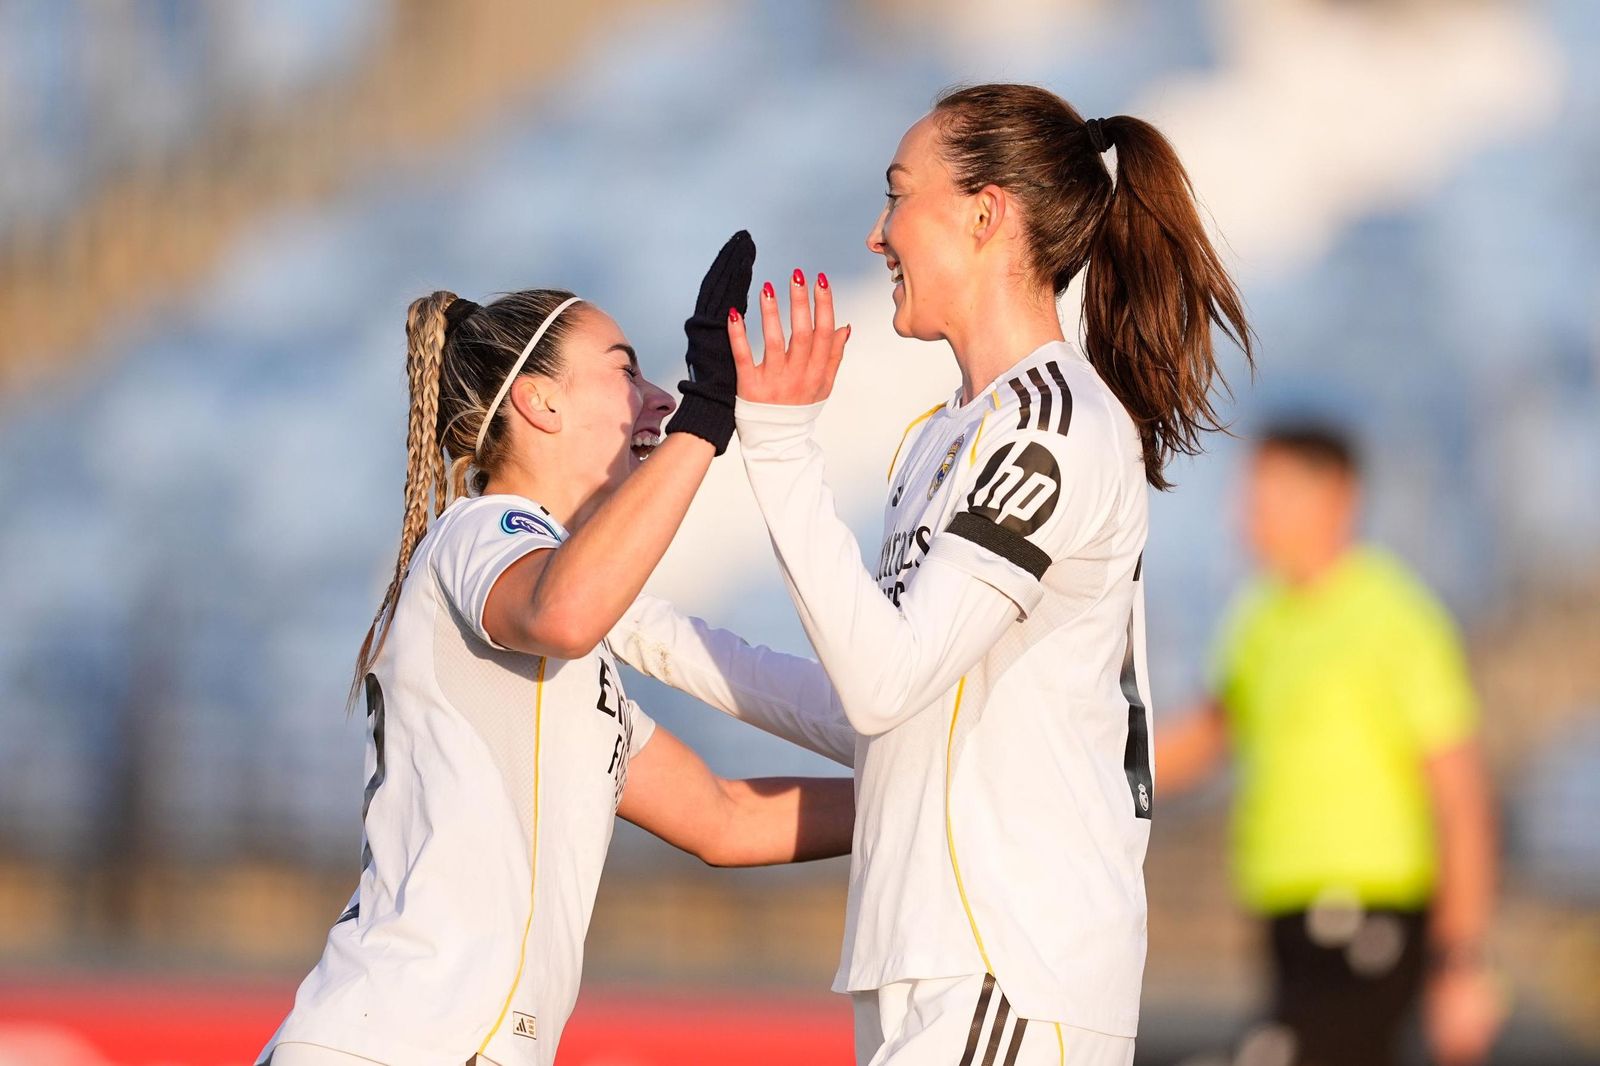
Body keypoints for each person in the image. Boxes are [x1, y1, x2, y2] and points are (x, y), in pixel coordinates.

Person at [619, 83, 1252, 1065]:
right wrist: (627, 620)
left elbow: (880, 688)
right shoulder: (947, 436)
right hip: (935, 963)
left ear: (986, 213)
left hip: (1008, 962)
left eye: (897, 194)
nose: (877, 235)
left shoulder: (1050, 424)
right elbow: (880, 706)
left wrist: (780, 445)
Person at [257, 232, 856, 1066]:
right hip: (396, 1043)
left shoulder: (563, 644)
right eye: (626, 370)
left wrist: (929, 803)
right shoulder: (485, 529)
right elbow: (565, 608)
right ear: (538, 403)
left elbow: (725, 818)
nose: (658, 398)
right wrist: (706, 419)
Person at [1156, 423, 1503, 1066]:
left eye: (1273, 493)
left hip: (1371, 924)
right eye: (1250, 494)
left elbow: (1460, 796)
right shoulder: (1258, 618)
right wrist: (1093, 765)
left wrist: (1460, 962)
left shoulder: (1395, 616)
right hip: (1284, 928)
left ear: (1338, 497)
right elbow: (1207, 735)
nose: (1249, 513)